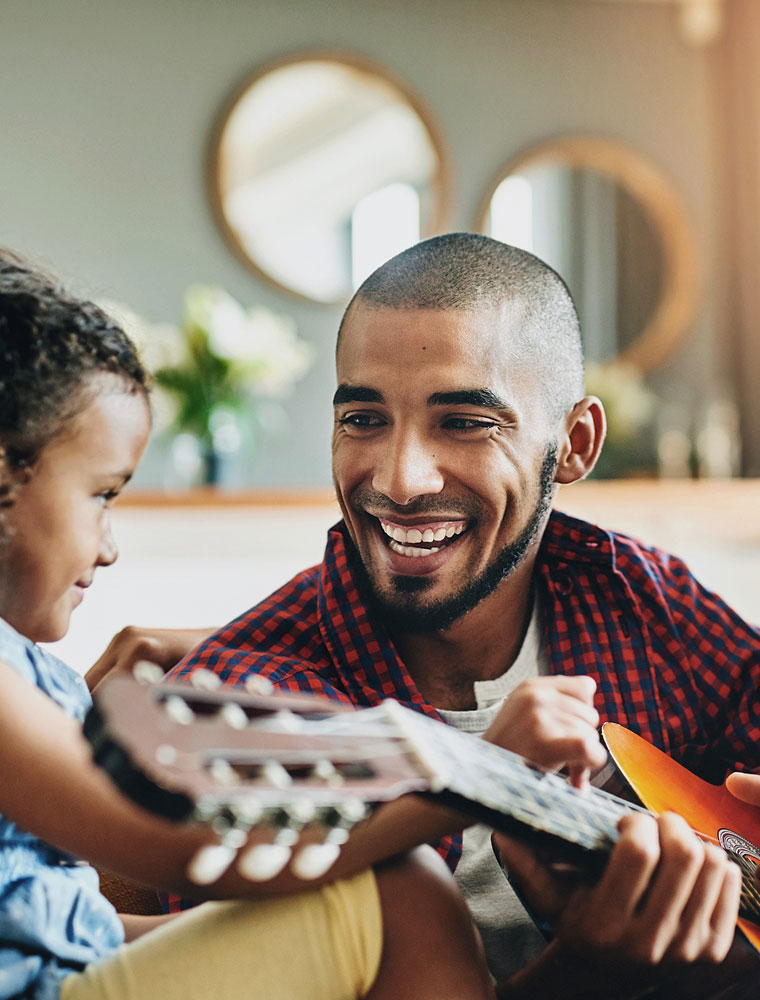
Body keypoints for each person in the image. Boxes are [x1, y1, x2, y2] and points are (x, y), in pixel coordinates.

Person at [0, 238, 630, 1000]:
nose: (106, 548)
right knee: (404, 893)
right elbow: (182, 849)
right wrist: (470, 774)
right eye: (100, 497)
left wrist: (215, 662)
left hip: (15, 963)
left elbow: (48, 903)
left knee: (381, 897)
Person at [99, 234, 756, 995]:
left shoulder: (642, 600)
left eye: (465, 422)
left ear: (574, 444)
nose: (402, 481)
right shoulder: (245, 704)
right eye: (364, 420)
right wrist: (588, 972)